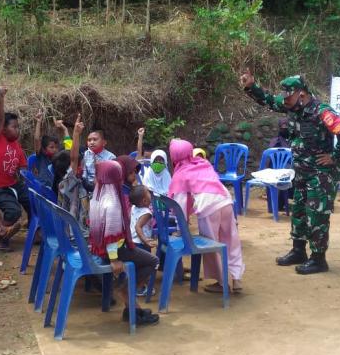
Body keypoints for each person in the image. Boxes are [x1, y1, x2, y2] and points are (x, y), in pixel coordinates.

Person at [240, 70, 340, 274]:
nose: (284, 101)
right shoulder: (292, 107)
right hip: (301, 171)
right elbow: (268, 100)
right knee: (299, 211)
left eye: (288, 96)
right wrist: (251, 86)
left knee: (316, 215)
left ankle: (318, 259)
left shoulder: (322, 112)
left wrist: (335, 157)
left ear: (301, 94)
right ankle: (298, 251)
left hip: (322, 174)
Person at [169, 139, 245, 293]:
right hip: (225, 201)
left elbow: (180, 204)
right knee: (231, 240)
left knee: (212, 245)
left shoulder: (181, 173)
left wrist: (180, 227)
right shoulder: (203, 163)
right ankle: (237, 278)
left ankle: (222, 283)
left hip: (208, 208)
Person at [89, 161, 159, 326]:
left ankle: (132, 308)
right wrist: (114, 260)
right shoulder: (112, 202)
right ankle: (128, 295)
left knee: (142, 263)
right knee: (153, 261)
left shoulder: (98, 195)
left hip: (100, 248)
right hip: (114, 250)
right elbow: (111, 235)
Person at [0, 86, 29, 242]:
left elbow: (22, 168)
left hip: (11, 185)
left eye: (18, 127)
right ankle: (2, 233)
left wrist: (23, 179)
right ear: (3, 129)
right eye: (14, 127)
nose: (17, 130)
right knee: (14, 211)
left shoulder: (17, 145)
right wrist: (1, 98)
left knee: (32, 199)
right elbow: (0, 118)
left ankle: (35, 229)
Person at [30, 111, 61, 190]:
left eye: (56, 147)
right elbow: (37, 139)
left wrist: (62, 128)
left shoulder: (58, 158)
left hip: (53, 190)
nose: (55, 150)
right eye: (51, 147)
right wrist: (38, 122)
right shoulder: (41, 156)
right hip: (42, 189)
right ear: (44, 149)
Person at [81, 128, 116, 192]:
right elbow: (84, 175)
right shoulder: (86, 154)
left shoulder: (111, 157)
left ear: (104, 142)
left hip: (104, 190)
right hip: (87, 189)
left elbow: (112, 178)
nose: (91, 142)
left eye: (95, 139)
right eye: (89, 140)